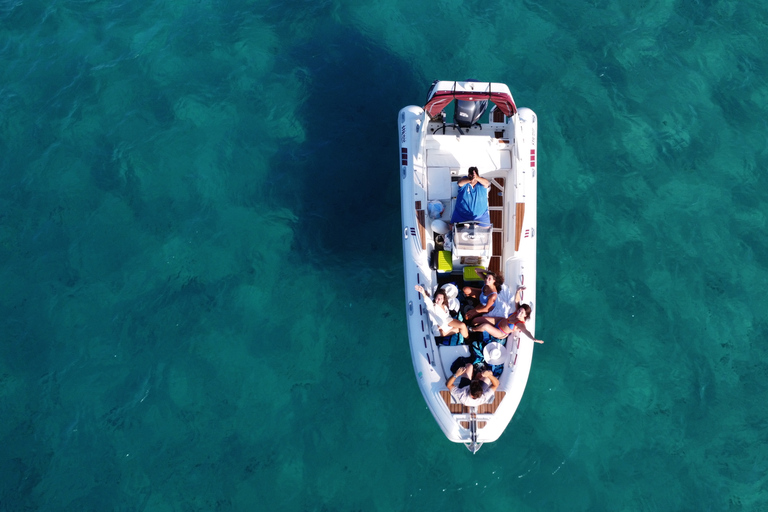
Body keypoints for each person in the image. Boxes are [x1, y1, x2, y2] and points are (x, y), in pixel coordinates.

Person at [471, 286, 545, 344]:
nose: (519, 313)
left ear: (525, 315)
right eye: (519, 310)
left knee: (485, 326)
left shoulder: (520, 324)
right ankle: (471, 324)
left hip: (500, 332)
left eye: (522, 313)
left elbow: (526, 331)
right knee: (476, 320)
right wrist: (518, 291)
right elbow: (516, 301)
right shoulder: (517, 311)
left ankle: (472, 330)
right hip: (500, 320)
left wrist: (533, 339)